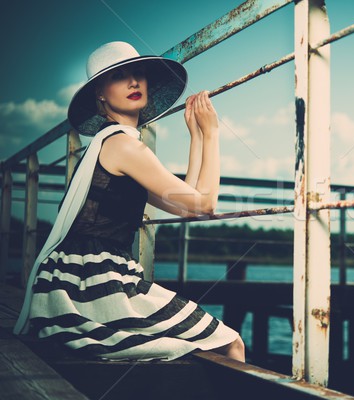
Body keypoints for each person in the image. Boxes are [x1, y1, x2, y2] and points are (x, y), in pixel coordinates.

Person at [12, 41, 245, 362]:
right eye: (120, 76)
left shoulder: (112, 142)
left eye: (139, 73)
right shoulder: (125, 147)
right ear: (100, 94)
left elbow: (185, 205)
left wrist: (197, 138)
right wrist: (214, 134)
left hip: (75, 277)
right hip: (94, 279)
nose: (134, 81)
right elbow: (204, 205)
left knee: (212, 341)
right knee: (231, 343)